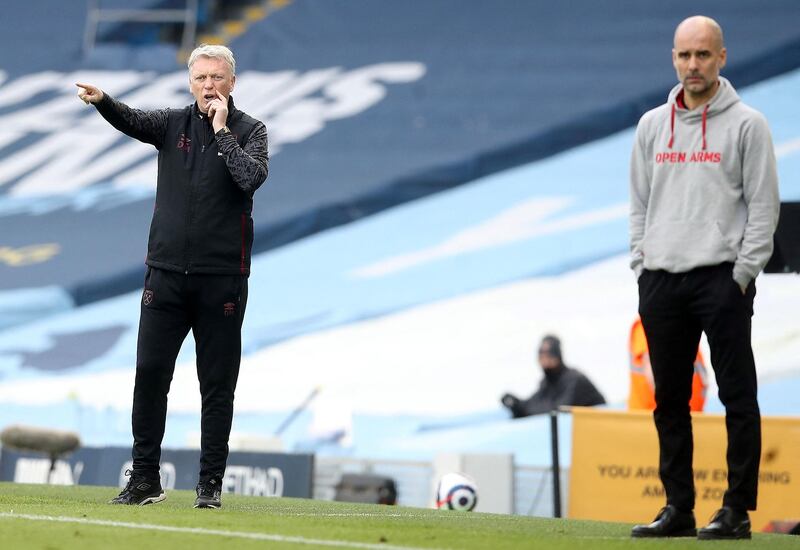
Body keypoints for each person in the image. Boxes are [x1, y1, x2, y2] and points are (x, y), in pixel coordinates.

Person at [77, 44, 269, 509]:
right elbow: (132, 119)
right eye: (201, 78)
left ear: (232, 83)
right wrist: (104, 101)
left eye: (217, 78)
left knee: (217, 384)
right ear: (190, 83)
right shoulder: (171, 124)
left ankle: (210, 485)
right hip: (164, 276)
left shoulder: (251, 130)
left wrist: (222, 132)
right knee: (149, 376)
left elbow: (250, 178)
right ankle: (144, 478)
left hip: (221, 278)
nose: (209, 86)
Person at [629, 16, 779, 540]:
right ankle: (679, 508)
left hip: (721, 278)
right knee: (669, 400)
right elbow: (639, 204)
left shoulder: (747, 125)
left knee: (737, 397)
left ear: (722, 58)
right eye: (684, 55)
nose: (693, 65)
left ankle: (736, 510)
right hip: (662, 281)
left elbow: (764, 208)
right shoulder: (651, 125)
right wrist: (641, 264)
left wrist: (741, 274)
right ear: (673, 58)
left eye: (703, 55)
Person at [501, 335, 605, 418]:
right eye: (541, 354)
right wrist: (516, 404)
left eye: (548, 353)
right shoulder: (547, 382)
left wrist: (524, 410)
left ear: (557, 355)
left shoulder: (575, 380)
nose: (543, 358)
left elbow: (557, 412)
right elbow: (533, 403)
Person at [628, 316, 708, 412]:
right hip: (652, 419)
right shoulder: (650, 324)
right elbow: (654, 372)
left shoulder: (684, 328)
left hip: (688, 417)